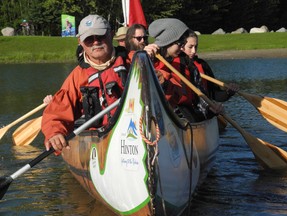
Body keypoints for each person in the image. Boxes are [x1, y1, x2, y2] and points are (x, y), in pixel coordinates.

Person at [41, 14, 129, 153]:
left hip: (132, 132)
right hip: (98, 141)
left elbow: (168, 95)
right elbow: (57, 112)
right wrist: (55, 133)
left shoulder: (133, 62)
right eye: (89, 39)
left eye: (100, 36)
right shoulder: (77, 76)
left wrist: (161, 79)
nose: (95, 42)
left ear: (111, 34)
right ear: (80, 42)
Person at [144, 18, 223, 122]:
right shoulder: (147, 59)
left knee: (187, 113)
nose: (182, 48)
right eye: (181, 44)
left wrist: (210, 109)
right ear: (169, 41)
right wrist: (143, 59)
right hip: (154, 116)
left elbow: (199, 97)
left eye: (183, 44)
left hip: (183, 115)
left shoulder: (188, 64)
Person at [180, 29, 239, 102]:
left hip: (203, 109)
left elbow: (215, 95)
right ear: (181, 46)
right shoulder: (175, 65)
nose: (194, 51)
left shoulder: (202, 64)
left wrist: (228, 92)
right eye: (190, 47)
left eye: (196, 47)